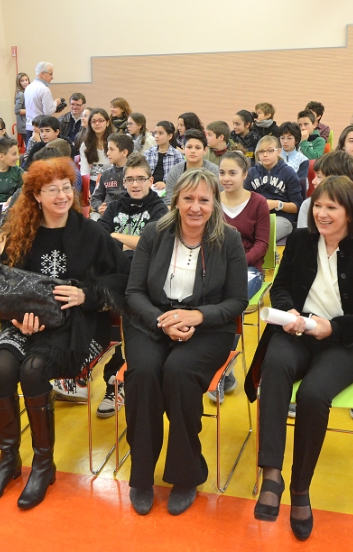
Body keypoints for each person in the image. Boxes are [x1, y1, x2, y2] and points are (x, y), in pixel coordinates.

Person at [247, 176, 353, 541]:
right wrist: (290, 312)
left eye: (332, 207)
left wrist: (336, 328)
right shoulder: (300, 241)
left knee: (314, 394)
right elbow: (280, 287)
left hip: (347, 342)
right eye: (318, 206)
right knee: (275, 365)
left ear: (350, 213)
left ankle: (300, 488)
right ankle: (271, 474)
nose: (322, 214)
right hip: (298, 330)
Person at [0, 158, 129, 509]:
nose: (62, 196)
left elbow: (121, 279)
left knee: (33, 370)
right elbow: (5, 285)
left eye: (66, 188)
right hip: (27, 322)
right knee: (1, 368)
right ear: (36, 195)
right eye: (52, 190)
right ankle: (8, 460)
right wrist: (17, 319)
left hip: (78, 326)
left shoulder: (91, 232)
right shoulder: (22, 232)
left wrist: (86, 294)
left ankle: (43, 465)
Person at [124, 168, 248, 516]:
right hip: (152, 322)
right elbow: (134, 293)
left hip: (207, 328)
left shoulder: (229, 239)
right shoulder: (154, 233)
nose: (196, 207)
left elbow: (238, 301)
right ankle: (142, 476)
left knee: (179, 374)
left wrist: (198, 316)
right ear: (176, 200)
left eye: (204, 200)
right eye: (188, 198)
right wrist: (162, 321)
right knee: (143, 375)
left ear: (215, 203)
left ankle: (185, 475)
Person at [95, 153, 168, 417]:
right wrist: (129, 243)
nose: (135, 184)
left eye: (140, 179)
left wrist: (116, 237)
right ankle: (87, 369)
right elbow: (99, 238)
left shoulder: (160, 209)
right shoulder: (115, 206)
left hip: (145, 280)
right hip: (114, 274)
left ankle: (117, 382)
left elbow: (152, 244)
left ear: (150, 180)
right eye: (130, 180)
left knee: (124, 300)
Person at [219, 150, 270, 301]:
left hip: (248, 268)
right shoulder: (212, 201)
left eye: (232, 173)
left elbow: (262, 244)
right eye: (222, 173)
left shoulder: (259, 202)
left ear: (244, 175)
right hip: (217, 266)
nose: (226, 178)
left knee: (233, 299)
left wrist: (239, 262)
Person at [298, 151, 353, 241]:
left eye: (319, 177)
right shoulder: (307, 205)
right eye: (318, 206)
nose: (313, 181)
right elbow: (303, 241)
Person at [247, 135, 303, 240]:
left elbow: (297, 206)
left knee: (264, 233)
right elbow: (244, 200)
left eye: (270, 151)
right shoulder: (251, 173)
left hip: (282, 218)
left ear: (279, 151)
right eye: (261, 151)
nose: (265, 154)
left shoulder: (288, 173)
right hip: (257, 217)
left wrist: (277, 204)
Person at [164, 129, 219, 205]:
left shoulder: (214, 171)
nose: (193, 151)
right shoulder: (175, 171)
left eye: (197, 148)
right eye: (189, 147)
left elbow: (218, 200)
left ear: (205, 150)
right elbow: (169, 201)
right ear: (183, 148)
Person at [89, 133, 133, 216]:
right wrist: (99, 207)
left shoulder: (135, 175)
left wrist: (113, 209)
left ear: (124, 152)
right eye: (108, 149)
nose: (108, 153)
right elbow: (95, 197)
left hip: (125, 214)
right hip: (105, 214)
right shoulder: (106, 174)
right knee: (93, 217)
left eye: (111, 149)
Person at [24, 62, 65, 142]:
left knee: (30, 149)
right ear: (42, 74)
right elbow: (48, 112)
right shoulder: (44, 89)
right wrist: (56, 103)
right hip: (40, 129)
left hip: (29, 127)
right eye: (51, 74)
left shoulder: (28, 87)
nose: (52, 77)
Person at [144, 121, 183, 195]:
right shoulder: (148, 153)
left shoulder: (177, 155)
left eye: (160, 133)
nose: (156, 136)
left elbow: (180, 178)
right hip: (149, 189)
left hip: (169, 191)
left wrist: (166, 184)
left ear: (170, 136)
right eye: (155, 133)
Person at [80, 108, 113, 193]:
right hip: (92, 182)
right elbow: (84, 170)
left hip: (112, 182)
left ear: (107, 122)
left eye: (100, 121)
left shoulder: (114, 142)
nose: (97, 124)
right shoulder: (85, 145)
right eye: (94, 121)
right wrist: (86, 189)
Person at [0, 136, 23, 204]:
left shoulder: (18, 172)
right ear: (1, 157)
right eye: (14, 154)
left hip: (13, 205)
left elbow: (23, 191)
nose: (18, 157)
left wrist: (14, 198)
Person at [278, 121, 310, 188]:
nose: (285, 141)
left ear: (296, 140)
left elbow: (302, 184)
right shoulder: (273, 156)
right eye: (282, 138)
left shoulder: (303, 160)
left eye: (289, 138)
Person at [14, 72, 29, 150]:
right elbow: (17, 110)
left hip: (26, 124)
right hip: (24, 125)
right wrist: (30, 110)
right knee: (29, 146)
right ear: (19, 83)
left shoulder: (27, 92)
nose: (25, 82)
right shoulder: (21, 94)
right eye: (22, 81)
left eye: (26, 80)